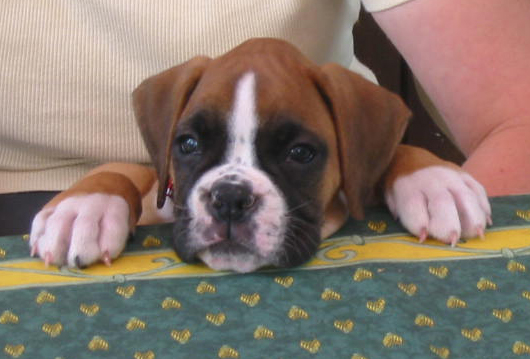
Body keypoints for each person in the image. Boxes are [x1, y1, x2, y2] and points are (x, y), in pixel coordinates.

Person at [1, 0, 529, 234]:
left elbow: (517, 115)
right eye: (188, 143)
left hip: (341, 208)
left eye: (297, 149)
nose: (233, 190)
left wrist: (401, 167)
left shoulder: (353, 138)